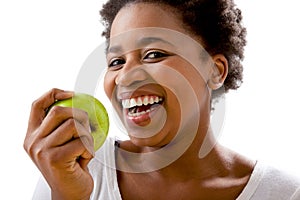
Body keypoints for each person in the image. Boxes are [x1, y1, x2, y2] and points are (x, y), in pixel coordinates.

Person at [24, 0, 300, 199]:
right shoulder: (76, 168)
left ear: (214, 71)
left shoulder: (284, 193)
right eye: (116, 61)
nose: (125, 77)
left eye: (154, 54)